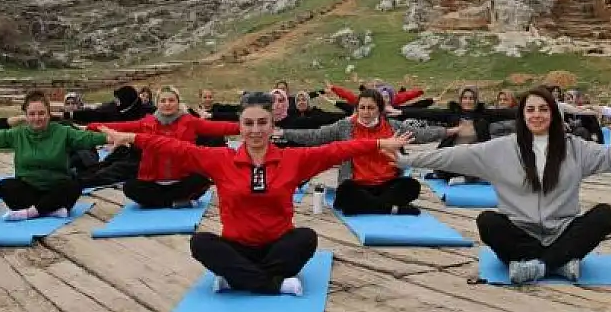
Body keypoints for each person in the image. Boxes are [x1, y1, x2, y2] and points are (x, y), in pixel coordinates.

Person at [99, 91, 413, 296]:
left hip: (278, 246)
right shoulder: (221, 160)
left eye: (262, 122)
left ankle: (238, 279)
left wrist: (377, 143)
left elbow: (335, 150)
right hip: (237, 248)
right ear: (239, 126)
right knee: (201, 242)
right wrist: (131, 137)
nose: (255, 130)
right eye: (248, 123)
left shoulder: (293, 160)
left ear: (272, 123)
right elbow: (172, 146)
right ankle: (270, 283)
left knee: (306, 238)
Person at [393, 87, 611, 284]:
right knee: (488, 222)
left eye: (543, 109)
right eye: (530, 109)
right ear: (522, 115)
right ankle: (560, 263)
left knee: (604, 214)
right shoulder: (500, 148)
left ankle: (538, 266)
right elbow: (452, 156)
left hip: (562, 229)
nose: (537, 115)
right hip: (520, 232)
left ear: (553, 114)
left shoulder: (576, 148)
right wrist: (406, 162)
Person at [0, 90, 110, 221]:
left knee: (74, 185)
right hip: (29, 188)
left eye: (41, 113)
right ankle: (50, 209)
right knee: (4, 187)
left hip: (57, 186)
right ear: (26, 116)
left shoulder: (63, 131)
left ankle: (31, 212)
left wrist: (117, 137)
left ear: (49, 115)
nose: (37, 118)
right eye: (32, 114)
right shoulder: (18, 134)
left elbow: (88, 138)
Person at [279, 88, 454, 215]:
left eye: (370, 108)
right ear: (357, 109)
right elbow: (315, 136)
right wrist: (284, 133)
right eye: (362, 108)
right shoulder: (345, 127)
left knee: (411, 186)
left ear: (379, 109)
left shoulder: (393, 126)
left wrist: (450, 131)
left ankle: (367, 206)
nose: (365, 112)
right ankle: (391, 209)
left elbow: (422, 135)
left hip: (387, 184)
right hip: (357, 184)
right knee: (346, 191)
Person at [85, 86, 239, 208]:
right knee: (130, 188)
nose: (167, 104)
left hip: (182, 179)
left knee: (202, 180)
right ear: (157, 103)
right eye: (163, 101)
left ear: (178, 102)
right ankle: (174, 202)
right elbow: (120, 126)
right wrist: (89, 127)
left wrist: (245, 128)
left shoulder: (190, 121)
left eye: (171, 100)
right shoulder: (146, 123)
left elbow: (219, 127)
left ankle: (160, 203)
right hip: (154, 181)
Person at [399, 86, 517, 184]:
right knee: (441, 171)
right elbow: (428, 113)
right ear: (460, 100)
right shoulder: (452, 114)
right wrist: (402, 111)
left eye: (471, 98)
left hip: (475, 157)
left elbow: (507, 113)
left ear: (476, 100)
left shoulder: (484, 115)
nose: (468, 101)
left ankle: (468, 178)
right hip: (453, 156)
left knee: (488, 167)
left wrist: (531, 110)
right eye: (465, 98)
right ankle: (469, 177)